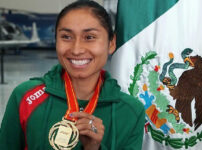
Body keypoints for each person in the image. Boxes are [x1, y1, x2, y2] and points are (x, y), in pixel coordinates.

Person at [0, 1, 145, 149]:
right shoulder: (26, 97)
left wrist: (94, 147)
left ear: (111, 43)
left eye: (89, 37)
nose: (76, 50)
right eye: (66, 37)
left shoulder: (131, 111)